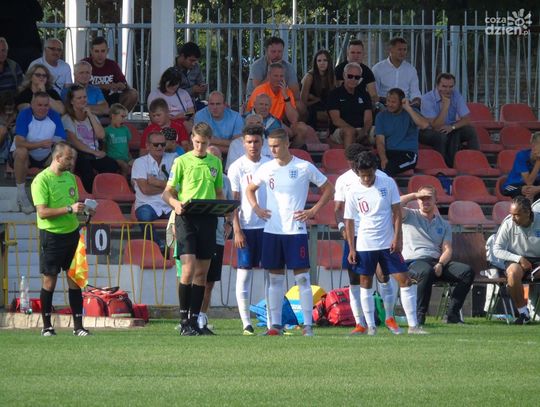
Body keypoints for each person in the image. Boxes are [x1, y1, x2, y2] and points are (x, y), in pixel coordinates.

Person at [246, 128, 334, 336]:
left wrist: (313, 210)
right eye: (270, 146)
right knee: (275, 279)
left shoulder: (303, 167)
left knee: (302, 279)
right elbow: (250, 189)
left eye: (276, 146)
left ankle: (307, 326)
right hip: (272, 230)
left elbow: (329, 188)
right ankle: (275, 326)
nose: (273, 150)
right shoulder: (266, 168)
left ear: (287, 144)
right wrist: (257, 208)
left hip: (295, 230)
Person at [344, 150, 426, 335]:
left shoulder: (387, 183)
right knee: (365, 282)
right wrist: (351, 248)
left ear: (375, 169)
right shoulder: (352, 190)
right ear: (357, 172)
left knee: (404, 279)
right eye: (363, 175)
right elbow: (349, 220)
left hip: (387, 242)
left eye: (369, 174)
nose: (366, 179)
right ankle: (371, 327)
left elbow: (396, 212)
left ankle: (413, 326)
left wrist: (397, 237)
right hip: (365, 243)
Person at [162, 122, 225, 336]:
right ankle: (183, 320)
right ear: (191, 139)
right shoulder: (181, 161)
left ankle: (194, 319)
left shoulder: (215, 162)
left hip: (208, 218)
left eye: (204, 143)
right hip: (186, 217)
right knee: (188, 268)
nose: (200, 147)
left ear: (209, 142)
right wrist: (175, 203)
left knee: (202, 272)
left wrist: (225, 210)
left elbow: (218, 192)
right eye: (197, 142)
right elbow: (167, 192)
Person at [334, 143, 401, 335]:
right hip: (354, 234)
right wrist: (342, 228)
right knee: (355, 279)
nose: (352, 167)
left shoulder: (382, 179)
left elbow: (393, 207)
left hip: (377, 234)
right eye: (350, 163)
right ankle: (360, 323)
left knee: (383, 275)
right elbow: (338, 209)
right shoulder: (343, 180)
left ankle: (389, 317)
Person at [30, 142, 91, 336]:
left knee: (75, 279)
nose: (71, 162)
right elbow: (42, 212)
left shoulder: (71, 178)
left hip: (72, 234)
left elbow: (73, 205)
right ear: (57, 158)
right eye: (68, 158)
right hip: (52, 236)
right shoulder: (41, 180)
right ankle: (47, 326)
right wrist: (69, 209)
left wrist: (84, 213)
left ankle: (78, 327)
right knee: (50, 280)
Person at [400, 185, 474, 325]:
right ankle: (419, 317)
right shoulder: (409, 215)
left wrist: (440, 263)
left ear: (436, 200)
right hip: (414, 262)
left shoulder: (444, 224)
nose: (425, 201)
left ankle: (452, 315)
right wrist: (414, 195)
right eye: (422, 198)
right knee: (426, 271)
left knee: (467, 272)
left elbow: (447, 249)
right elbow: (394, 204)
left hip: (436, 262)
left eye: (429, 198)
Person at [228, 124, 271, 334]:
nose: (253, 145)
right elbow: (233, 201)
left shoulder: (270, 164)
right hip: (246, 226)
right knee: (244, 274)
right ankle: (246, 323)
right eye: (249, 141)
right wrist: (237, 229)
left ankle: (273, 322)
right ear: (243, 143)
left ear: (262, 142)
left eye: (256, 141)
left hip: (269, 227)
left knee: (271, 275)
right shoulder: (236, 167)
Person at [10, 92, 66, 214]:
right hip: (26, 155)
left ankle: (59, 192)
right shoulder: (24, 114)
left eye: (46, 105)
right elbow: (19, 143)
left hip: (46, 154)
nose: (43, 108)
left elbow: (61, 139)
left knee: (65, 152)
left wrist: (55, 146)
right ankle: (21, 193)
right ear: (32, 104)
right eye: (39, 105)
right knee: (21, 152)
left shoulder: (54, 115)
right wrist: (40, 144)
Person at [197, 145, 233, 335]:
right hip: (198, 232)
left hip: (217, 234)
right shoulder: (196, 176)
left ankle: (202, 315)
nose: (214, 162)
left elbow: (229, 205)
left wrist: (229, 223)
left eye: (218, 158)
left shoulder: (225, 180)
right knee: (195, 276)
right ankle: (190, 315)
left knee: (210, 280)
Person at [62, 85, 119, 193]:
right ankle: (89, 195)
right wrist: (94, 152)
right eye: (79, 98)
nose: (83, 100)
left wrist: (90, 115)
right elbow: (74, 141)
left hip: (94, 153)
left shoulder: (92, 116)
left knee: (112, 165)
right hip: (79, 153)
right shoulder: (67, 119)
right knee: (86, 168)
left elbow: (101, 135)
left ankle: (104, 192)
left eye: (84, 97)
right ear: (72, 101)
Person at [493, 195, 540, 324]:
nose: (513, 218)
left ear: (528, 213)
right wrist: (519, 258)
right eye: (511, 214)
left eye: (517, 215)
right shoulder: (508, 223)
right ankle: (524, 314)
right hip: (516, 259)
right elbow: (497, 249)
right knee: (513, 273)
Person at [420, 72, 480, 167]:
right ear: (437, 86)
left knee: (470, 131)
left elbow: (466, 119)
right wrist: (445, 107)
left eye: (451, 87)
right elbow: (436, 126)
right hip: (428, 131)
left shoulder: (456, 95)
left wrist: (452, 127)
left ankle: (475, 162)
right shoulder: (426, 99)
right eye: (444, 86)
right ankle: (441, 166)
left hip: (449, 127)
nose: (448, 90)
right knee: (441, 136)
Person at [246, 63, 309, 148]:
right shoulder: (259, 90)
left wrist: (285, 97)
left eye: (281, 76)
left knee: (302, 128)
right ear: (269, 76)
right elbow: (251, 115)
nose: (279, 79)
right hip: (263, 124)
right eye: (276, 76)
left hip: (279, 124)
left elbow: (294, 119)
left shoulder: (287, 92)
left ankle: (290, 153)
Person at [132, 131, 175, 253]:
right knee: (144, 217)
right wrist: (168, 187)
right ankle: (158, 248)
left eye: (162, 144)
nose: (160, 147)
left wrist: (157, 182)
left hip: (169, 203)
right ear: (147, 146)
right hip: (147, 204)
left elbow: (179, 186)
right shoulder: (139, 162)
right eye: (156, 145)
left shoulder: (174, 158)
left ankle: (174, 247)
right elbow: (145, 190)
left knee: (183, 216)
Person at [375, 88, 429, 176]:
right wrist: (383, 158)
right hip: (388, 153)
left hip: (408, 154)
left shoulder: (411, 112)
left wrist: (408, 108)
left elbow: (424, 125)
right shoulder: (381, 116)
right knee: (368, 166)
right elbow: (380, 141)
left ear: (401, 102)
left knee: (388, 168)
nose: (389, 104)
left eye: (393, 102)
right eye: (388, 101)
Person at [83, 36, 138, 111]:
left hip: (109, 98)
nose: (100, 55)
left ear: (107, 51)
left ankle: (119, 116)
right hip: (90, 98)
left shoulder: (112, 65)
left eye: (103, 51)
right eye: (96, 51)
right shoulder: (85, 64)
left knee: (132, 94)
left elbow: (124, 84)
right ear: (91, 51)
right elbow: (79, 85)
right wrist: (104, 86)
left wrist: (120, 85)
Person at [327, 62, 373, 148]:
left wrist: (363, 131)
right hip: (340, 129)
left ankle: (386, 156)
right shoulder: (334, 94)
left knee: (380, 131)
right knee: (349, 131)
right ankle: (349, 156)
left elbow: (368, 119)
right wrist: (354, 131)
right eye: (350, 76)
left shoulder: (365, 94)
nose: (353, 79)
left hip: (362, 129)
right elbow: (336, 120)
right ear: (344, 75)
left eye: (357, 77)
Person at [246, 36, 301, 104]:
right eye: (273, 52)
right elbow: (258, 91)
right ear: (266, 51)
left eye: (280, 51)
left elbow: (296, 95)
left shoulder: (288, 67)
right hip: (258, 101)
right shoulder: (257, 66)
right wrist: (272, 72)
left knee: (299, 105)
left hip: (279, 99)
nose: (277, 55)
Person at [372, 37, 421, 107]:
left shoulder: (411, 69)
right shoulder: (377, 68)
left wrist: (415, 103)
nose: (402, 52)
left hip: (405, 106)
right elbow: (374, 94)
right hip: (384, 105)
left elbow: (415, 93)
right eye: (399, 49)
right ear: (390, 50)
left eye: (405, 49)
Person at [147, 67, 195, 133]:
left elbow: (191, 113)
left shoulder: (184, 93)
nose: (173, 87)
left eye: (176, 84)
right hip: (161, 122)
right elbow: (151, 115)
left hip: (181, 122)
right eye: (171, 84)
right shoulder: (154, 94)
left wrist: (181, 116)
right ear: (164, 82)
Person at [334, 39, 378, 105]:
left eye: (358, 53)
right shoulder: (339, 70)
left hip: (362, 104)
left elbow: (373, 95)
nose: (356, 56)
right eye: (353, 52)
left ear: (363, 54)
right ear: (347, 53)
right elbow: (341, 91)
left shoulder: (367, 71)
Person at [300, 49, 336, 128]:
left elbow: (333, 98)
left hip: (325, 106)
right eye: (319, 61)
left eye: (325, 60)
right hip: (311, 107)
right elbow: (302, 102)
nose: (322, 63)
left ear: (329, 62)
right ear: (315, 63)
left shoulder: (332, 76)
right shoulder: (309, 76)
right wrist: (316, 100)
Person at [501, 132, 540, 202]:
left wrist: (537, 189)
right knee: (526, 191)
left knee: (530, 190)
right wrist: (538, 161)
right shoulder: (522, 155)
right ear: (533, 145)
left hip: (534, 186)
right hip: (515, 185)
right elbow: (529, 182)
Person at [174, 42, 207, 110]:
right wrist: (192, 90)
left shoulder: (196, 67)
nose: (193, 63)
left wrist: (202, 87)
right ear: (182, 56)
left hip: (194, 103)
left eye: (195, 61)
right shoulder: (172, 68)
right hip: (177, 107)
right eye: (191, 60)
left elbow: (201, 82)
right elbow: (171, 93)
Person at [103, 103, 132, 177]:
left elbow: (127, 144)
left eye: (125, 117)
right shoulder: (107, 130)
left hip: (125, 157)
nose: (124, 119)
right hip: (114, 158)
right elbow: (104, 146)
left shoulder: (125, 129)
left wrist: (129, 156)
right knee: (124, 166)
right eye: (122, 116)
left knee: (137, 164)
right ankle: (123, 181)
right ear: (113, 116)